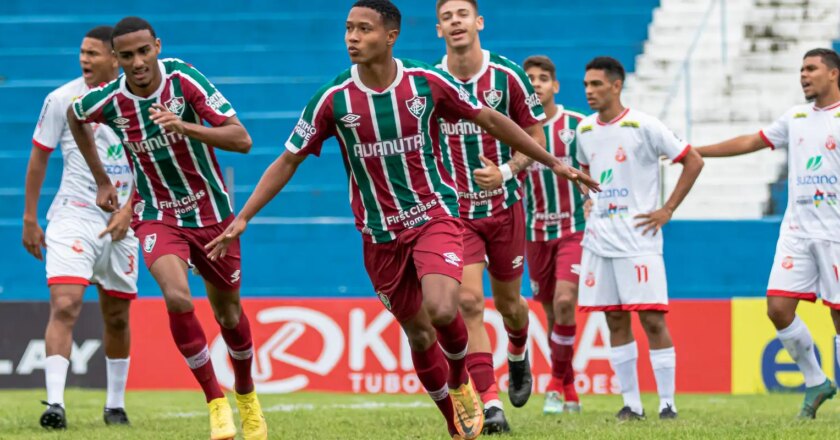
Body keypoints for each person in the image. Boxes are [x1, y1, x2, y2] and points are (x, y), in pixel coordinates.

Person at [205, 1, 598, 438]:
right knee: (420, 335)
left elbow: (489, 117)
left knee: (447, 306)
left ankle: (460, 379)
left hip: (436, 217)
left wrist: (553, 163)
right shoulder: (333, 100)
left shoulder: (427, 83)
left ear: (391, 36)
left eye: (364, 29)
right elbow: (287, 160)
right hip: (379, 236)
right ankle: (454, 417)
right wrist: (243, 217)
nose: (352, 37)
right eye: (348, 28)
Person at [67, 16, 266, 440]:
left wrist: (184, 126)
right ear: (116, 58)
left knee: (229, 314)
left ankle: (246, 398)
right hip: (158, 214)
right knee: (177, 298)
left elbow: (242, 139)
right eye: (127, 56)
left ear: (157, 46)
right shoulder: (111, 100)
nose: (137, 62)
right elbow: (75, 115)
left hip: (212, 215)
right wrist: (103, 180)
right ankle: (216, 403)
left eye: (144, 51)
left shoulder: (184, 80)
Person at [695, 48, 840, 419]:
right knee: (777, 308)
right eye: (801, 69)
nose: (803, 75)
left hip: (836, 233)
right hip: (797, 232)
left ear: (834, 74)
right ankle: (816, 381)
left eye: (812, 69)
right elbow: (750, 141)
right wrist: (695, 150)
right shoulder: (796, 118)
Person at [435, 0, 545, 432]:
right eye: (447, 17)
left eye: (463, 14)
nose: (456, 21)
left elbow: (535, 136)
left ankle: (518, 355)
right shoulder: (429, 82)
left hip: (504, 208)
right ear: (439, 30)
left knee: (510, 305)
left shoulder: (508, 76)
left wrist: (505, 170)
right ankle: (491, 403)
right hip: (456, 212)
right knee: (467, 302)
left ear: (478, 22)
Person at [576, 56, 704, 421]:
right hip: (599, 239)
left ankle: (667, 403)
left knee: (651, 319)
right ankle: (631, 404)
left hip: (638, 240)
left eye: (597, 84)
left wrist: (668, 209)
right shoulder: (584, 130)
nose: (589, 91)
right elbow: (587, 172)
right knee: (614, 319)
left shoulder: (644, 125)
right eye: (586, 85)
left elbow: (692, 159)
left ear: (616, 85)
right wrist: (588, 200)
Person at [23, 25, 136, 430]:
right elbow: (38, 158)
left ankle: (115, 404)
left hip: (125, 220)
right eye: (82, 53)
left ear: (115, 57)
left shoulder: (138, 100)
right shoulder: (61, 99)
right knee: (66, 304)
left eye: (93, 54)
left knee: (117, 316)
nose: (84, 60)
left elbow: (153, 162)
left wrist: (130, 209)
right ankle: (55, 404)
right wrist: (30, 218)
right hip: (74, 215)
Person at [522, 55, 587, 415]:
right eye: (529, 78)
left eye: (543, 78)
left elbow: (599, 167)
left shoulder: (577, 125)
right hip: (534, 234)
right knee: (551, 313)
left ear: (555, 86)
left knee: (565, 302)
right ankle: (569, 385)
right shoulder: (513, 130)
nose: (535, 83)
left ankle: (553, 386)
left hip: (573, 230)